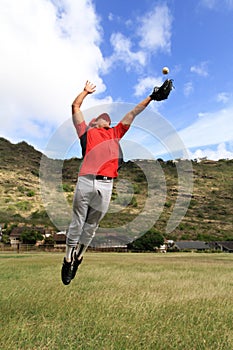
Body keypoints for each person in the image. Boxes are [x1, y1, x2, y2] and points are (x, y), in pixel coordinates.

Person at [61, 80, 158, 285]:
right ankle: (67, 258)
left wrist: (151, 97)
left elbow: (132, 113)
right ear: (94, 122)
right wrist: (85, 92)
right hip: (86, 180)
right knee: (77, 223)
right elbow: (75, 107)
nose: (106, 118)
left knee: (91, 227)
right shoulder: (86, 133)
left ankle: (79, 257)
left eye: (109, 118)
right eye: (101, 117)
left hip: (106, 184)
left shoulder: (115, 133)